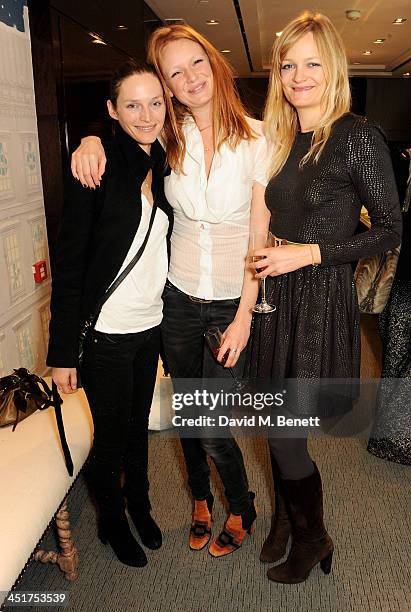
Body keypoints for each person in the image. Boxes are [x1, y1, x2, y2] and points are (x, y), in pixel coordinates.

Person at [70, 25, 267, 557]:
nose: (190, 78)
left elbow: (260, 234)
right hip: (175, 300)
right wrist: (89, 136)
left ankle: (242, 503)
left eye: (196, 62)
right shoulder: (167, 136)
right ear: (168, 87)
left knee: (212, 422)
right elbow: (123, 127)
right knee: (188, 413)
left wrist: (246, 316)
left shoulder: (257, 136)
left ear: (215, 63)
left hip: (231, 300)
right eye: (174, 73)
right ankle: (200, 500)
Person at [245, 11, 402, 583]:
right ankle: (287, 521)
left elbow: (390, 229)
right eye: (289, 65)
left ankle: (314, 537)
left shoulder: (356, 135)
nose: (299, 75)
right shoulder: (281, 135)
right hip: (275, 298)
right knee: (272, 421)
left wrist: (309, 252)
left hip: (316, 300)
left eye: (312, 63)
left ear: (332, 66)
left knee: (287, 434)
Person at [47, 61, 174, 568]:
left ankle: (139, 504)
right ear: (112, 111)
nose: (146, 115)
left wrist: (92, 134)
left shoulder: (167, 159)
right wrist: (61, 354)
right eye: (132, 105)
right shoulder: (95, 167)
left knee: (138, 426)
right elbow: (71, 266)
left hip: (150, 327)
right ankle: (111, 519)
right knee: (111, 437)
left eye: (155, 103)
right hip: (106, 334)